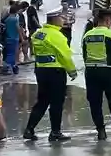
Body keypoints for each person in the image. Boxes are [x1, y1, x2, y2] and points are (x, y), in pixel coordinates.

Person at [23, 9, 78, 143]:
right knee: (57, 103)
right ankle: (55, 132)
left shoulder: (38, 33)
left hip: (41, 71)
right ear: (55, 19)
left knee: (42, 101)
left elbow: (35, 51)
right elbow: (64, 55)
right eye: (61, 17)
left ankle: (29, 129)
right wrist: (72, 71)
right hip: (56, 72)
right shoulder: (57, 35)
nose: (63, 20)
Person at [81, 8, 111, 139]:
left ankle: (100, 130)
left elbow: (84, 54)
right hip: (107, 70)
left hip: (91, 71)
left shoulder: (87, 35)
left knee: (95, 102)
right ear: (107, 20)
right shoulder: (109, 34)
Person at [2, 2, 23, 76]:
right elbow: (18, 29)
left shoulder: (7, 19)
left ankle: (14, 66)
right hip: (14, 38)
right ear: (16, 11)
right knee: (12, 54)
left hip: (8, 38)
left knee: (10, 52)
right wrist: (22, 38)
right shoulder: (15, 19)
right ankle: (6, 66)